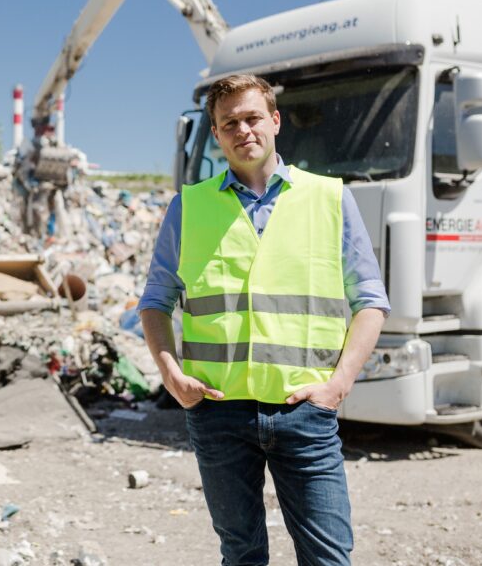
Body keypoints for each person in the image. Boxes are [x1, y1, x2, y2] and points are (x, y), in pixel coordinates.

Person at [138, 74, 390, 565]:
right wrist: (170, 374)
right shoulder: (188, 208)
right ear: (215, 134)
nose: (242, 129)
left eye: (252, 117)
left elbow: (370, 301)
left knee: (329, 556)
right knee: (242, 554)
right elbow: (155, 301)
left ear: (274, 121)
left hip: (305, 410)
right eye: (228, 122)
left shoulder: (330, 198)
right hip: (217, 412)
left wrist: (338, 384)